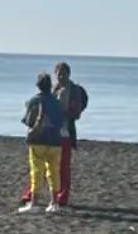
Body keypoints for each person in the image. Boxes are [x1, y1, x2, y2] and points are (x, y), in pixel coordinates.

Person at [20, 60, 88, 209]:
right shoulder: (55, 89)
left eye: (64, 74)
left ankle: (60, 197)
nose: (61, 76)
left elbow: (75, 113)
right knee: (42, 168)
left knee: (61, 168)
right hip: (51, 132)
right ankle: (33, 195)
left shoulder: (73, 90)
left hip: (64, 133)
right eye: (59, 74)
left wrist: (61, 114)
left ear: (68, 74)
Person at [18, 71, 66, 213]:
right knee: (54, 172)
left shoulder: (34, 101)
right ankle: (54, 202)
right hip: (55, 140)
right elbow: (61, 121)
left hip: (38, 140)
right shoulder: (56, 102)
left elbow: (27, 121)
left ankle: (34, 203)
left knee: (37, 172)